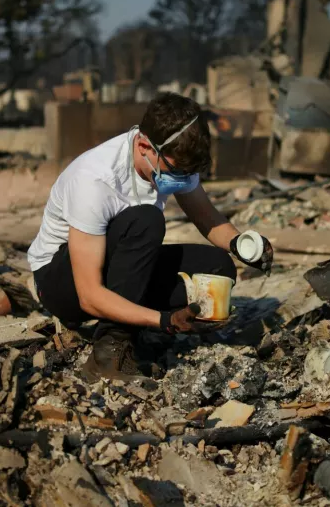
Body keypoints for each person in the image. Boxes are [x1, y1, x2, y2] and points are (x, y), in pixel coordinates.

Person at [27, 93, 273, 381]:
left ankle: (138, 330)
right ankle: (111, 350)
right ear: (145, 146)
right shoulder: (95, 182)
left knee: (219, 269)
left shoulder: (173, 158)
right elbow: (89, 295)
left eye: (188, 172)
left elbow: (206, 216)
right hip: (62, 284)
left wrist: (240, 245)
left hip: (116, 267)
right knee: (146, 221)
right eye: (177, 171)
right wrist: (163, 321)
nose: (182, 179)